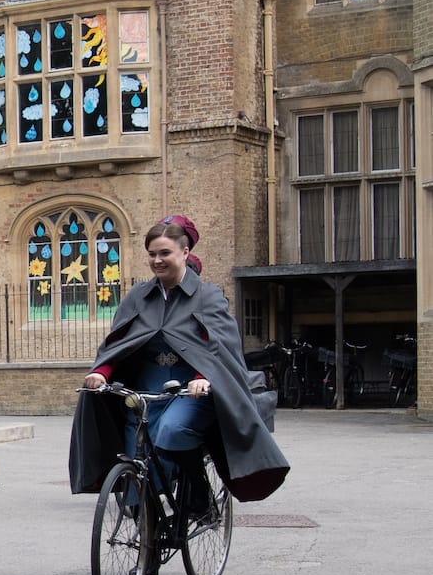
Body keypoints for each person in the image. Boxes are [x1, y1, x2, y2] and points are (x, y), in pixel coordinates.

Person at [69, 214, 288, 544]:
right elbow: (119, 342)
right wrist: (101, 372)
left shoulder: (208, 296)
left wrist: (203, 377)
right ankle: (149, 545)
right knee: (136, 460)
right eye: (152, 254)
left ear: (185, 253)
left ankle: (200, 496)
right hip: (146, 386)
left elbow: (220, 346)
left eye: (165, 253)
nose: (157, 260)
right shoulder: (138, 296)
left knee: (172, 431)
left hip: (189, 391)